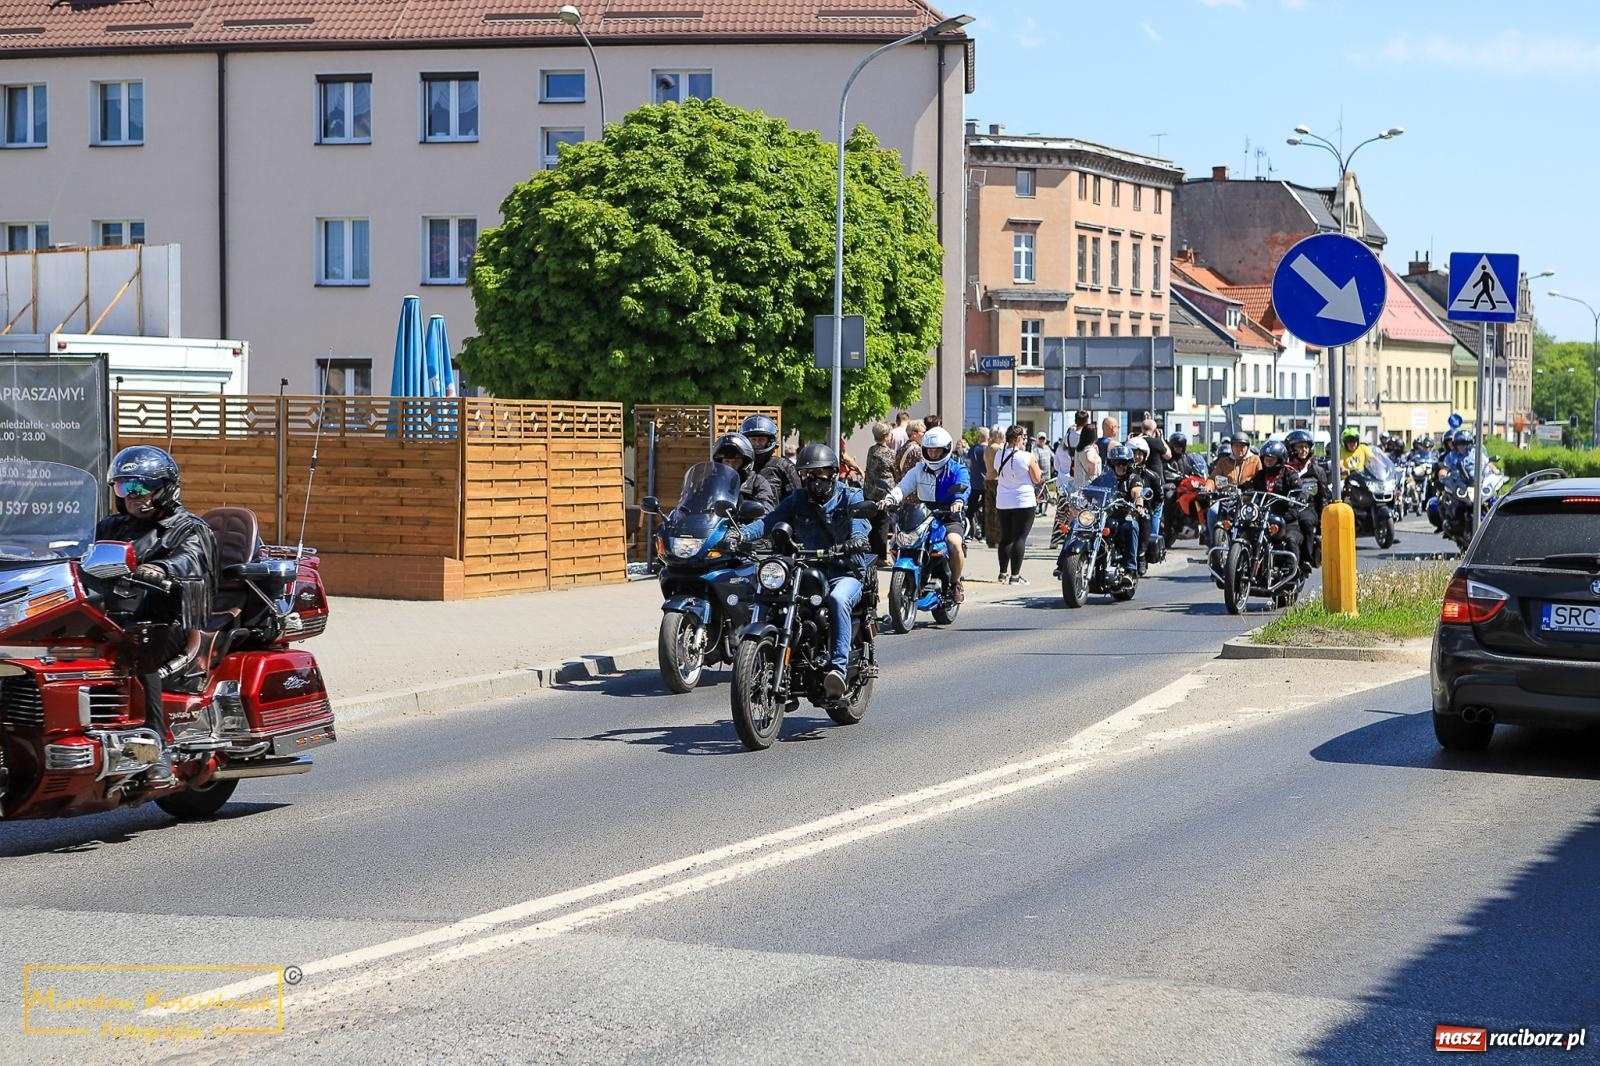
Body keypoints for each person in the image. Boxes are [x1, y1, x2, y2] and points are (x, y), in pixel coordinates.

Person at [95, 445, 218, 786]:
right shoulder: (112, 526)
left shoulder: (190, 528)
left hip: (171, 622)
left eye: (140, 487)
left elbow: (192, 560)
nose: (132, 496)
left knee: (139, 650)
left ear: (166, 487)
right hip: (113, 616)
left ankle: (155, 747)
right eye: (123, 487)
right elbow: (79, 552)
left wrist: (160, 568)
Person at [735, 444, 871, 698]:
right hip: (806, 570)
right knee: (771, 594)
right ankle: (761, 657)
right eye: (808, 474)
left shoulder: (849, 496)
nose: (813, 480)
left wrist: (857, 540)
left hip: (845, 571)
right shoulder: (799, 499)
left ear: (832, 472)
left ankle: (838, 670)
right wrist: (739, 534)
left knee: (837, 599)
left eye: (819, 473)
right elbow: (768, 521)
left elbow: (860, 523)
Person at [881, 426, 971, 602]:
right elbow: (903, 487)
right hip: (924, 513)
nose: (933, 454)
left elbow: (964, 485)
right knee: (897, 542)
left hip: (949, 513)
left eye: (937, 450)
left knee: (953, 543)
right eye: (929, 450)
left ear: (946, 450)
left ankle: (956, 583)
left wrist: (958, 501)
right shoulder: (919, 469)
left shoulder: (957, 469)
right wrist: (890, 499)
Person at [1242, 440, 1312, 575]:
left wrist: (1300, 497)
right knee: (1246, 532)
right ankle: (1241, 563)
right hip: (1263, 518)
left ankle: (1292, 571)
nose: (1268, 462)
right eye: (1266, 459)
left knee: (1290, 539)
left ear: (1280, 460)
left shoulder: (1289, 474)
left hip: (1286, 519)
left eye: (1271, 460)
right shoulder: (1260, 475)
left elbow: (1299, 488)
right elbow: (1249, 486)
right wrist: (1240, 490)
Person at [989, 425, 1043, 585]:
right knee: (1020, 538)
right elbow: (1037, 478)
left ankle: (1002, 573)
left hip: (1003, 500)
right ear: (1019, 439)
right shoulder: (1027, 456)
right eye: (1024, 437)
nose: (1025, 440)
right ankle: (1015, 576)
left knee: (1005, 537)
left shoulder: (999, 454)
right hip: (1023, 500)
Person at [1087, 444, 1144, 579]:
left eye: (1123, 463)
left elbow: (1137, 492)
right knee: (1080, 526)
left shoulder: (1133, 479)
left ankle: (1130, 570)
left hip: (1122, 517)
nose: (1120, 466)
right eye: (1117, 463)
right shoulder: (1104, 479)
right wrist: (1076, 497)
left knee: (1131, 527)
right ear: (1112, 464)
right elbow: (1088, 491)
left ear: (1129, 464)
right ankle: (1063, 563)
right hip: (1103, 517)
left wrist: (1139, 504)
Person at [1204, 432, 1261, 545]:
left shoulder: (1255, 460)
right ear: (1231, 447)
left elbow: (1261, 477)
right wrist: (1208, 488)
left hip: (1248, 499)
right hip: (1227, 498)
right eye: (1236, 446)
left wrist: (1251, 489)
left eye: (1242, 446)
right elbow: (1213, 478)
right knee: (1212, 512)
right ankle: (1212, 543)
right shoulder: (1224, 462)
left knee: (1256, 516)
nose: (1239, 449)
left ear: (1248, 447)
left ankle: (1255, 544)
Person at [711, 432, 776, 515]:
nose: (731, 466)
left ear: (745, 463)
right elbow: (693, 504)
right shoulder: (710, 482)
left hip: (742, 526)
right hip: (711, 525)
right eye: (727, 461)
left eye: (736, 462)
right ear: (719, 462)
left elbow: (766, 511)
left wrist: (750, 514)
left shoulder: (757, 482)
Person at [741, 414, 801, 501]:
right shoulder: (738, 465)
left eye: (761, 440)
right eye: (753, 440)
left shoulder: (783, 467)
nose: (757, 444)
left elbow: (797, 499)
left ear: (769, 441)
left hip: (772, 513)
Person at [1126, 437, 1164, 573]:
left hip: (1140, 509)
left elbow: (1159, 496)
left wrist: (1148, 507)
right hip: (1121, 507)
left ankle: (1141, 555)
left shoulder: (1151, 476)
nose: (1137, 457)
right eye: (1134, 453)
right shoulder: (1121, 472)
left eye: (1139, 454)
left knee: (1145, 519)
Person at [863, 422, 897, 561]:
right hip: (884, 492)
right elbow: (895, 470)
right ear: (885, 436)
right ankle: (881, 557)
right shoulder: (889, 453)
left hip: (870, 490)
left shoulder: (871, 450)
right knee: (882, 524)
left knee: (871, 524)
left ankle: (870, 555)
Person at [1283, 429, 1330, 514]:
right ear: (1291, 448)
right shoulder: (1284, 470)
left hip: (1309, 512)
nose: (1304, 450)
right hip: (1287, 512)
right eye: (1300, 446)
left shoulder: (1317, 471)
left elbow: (1323, 498)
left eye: (1306, 447)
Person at [967, 427, 990, 541]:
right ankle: (985, 534)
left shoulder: (973, 449)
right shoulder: (989, 450)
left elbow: (969, 464)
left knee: (970, 509)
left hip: (975, 482)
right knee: (987, 509)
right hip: (986, 482)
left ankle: (969, 533)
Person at [1032, 433, 1055, 515]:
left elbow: (1053, 457)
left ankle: (1043, 509)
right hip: (1040, 474)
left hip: (1047, 474)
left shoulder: (1047, 448)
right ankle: (1040, 509)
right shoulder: (1036, 449)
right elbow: (1035, 460)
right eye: (1040, 439)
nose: (1042, 441)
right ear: (1038, 439)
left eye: (1043, 439)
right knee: (1039, 492)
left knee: (1044, 492)